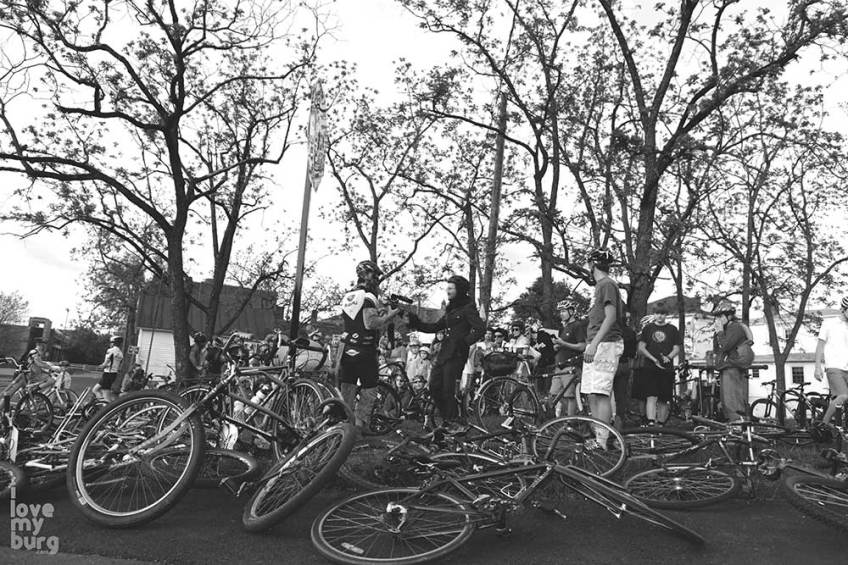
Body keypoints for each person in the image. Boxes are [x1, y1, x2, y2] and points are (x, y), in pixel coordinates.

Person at [407, 275, 485, 430]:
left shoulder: (468, 307)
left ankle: (454, 422)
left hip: (457, 354)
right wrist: (416, 323)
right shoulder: (451, 309)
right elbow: (434, 327)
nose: (447, 291)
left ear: (459, 290)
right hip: (444, 353)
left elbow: (480, 328)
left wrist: (465, 342)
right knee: (434, 386)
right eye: (447, 288)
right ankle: (449, 419)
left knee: (447, 389)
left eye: (451, 288)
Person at [338, 260, 402, 435]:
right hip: (365, 349)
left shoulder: (349, 295)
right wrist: (391, 314)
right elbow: (370, 323)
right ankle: (360, 426)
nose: (377, 279)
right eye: (375, 275)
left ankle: (343, 426)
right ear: (366, 275)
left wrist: (381, 309)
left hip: (347, 347)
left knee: (348, 387)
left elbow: (358, 319)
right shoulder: (368, 295)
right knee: (370, 388)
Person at [582, 249, 625, 447]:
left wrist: (594, 344)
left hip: (606, 343)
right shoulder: (600, 286)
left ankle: (602, 440)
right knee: (591, 392)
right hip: (595, 342)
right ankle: (598, 435)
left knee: (601, 392)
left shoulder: (607, 284)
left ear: (592, 264)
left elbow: (611, 317)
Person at [632, 309, 680, 427]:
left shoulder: (673, 329)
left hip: (666, 368)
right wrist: (653, 359)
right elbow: (641, 347)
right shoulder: (648, 328)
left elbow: (677, 348)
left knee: (664, 398)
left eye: (662, 313)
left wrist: (669, 357)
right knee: (651, 395)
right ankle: (651, 422)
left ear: (666, 315)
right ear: (654, 315)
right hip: (650, 367)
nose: (660, 316)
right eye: (657, 313)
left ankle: (661, 424)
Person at [712, 306, 754, 421]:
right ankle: (734, 422)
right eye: (716, 317)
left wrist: (720, 332)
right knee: (726, 398)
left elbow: (726, 346)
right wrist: (717, 333)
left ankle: (738, 423)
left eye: (720, 316)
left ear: (729, 316)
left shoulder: (735, 328)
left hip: (732, 365)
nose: (718, 320)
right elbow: (717, 349)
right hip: (726, 366)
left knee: (732, 398)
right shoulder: (724, 329)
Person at [815, 297, 848, 426]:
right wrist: (817, 367)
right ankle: (823, 424)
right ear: (843, 309)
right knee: (844, 396)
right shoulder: (829, 323)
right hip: (834, 367)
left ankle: (842, 429)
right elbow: (820, 346)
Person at [552, 300, 587, 417]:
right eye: (560, 312)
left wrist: (563, 344)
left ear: (571, 312)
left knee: (570, 396)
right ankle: (569, 416)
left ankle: (571, 421)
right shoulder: (564, 327)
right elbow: (565, 344)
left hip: (570, 365)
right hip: (559, 365)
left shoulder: (577, 325)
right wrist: (558, 346)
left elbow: (582, 346)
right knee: (554, 394)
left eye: (563, 311)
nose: (561, 314)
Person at [613, 312, 638, 430]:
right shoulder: (630, 332)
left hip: (611, 363)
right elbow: (633, 353)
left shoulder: (611, 331)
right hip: (624, 364)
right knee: (621, 396)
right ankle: (619, 422)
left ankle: (608, 421)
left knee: (606, 394)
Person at [94, 336, 124, 402]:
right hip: (113, 374)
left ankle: (105, 405)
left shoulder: (111, 350)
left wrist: (101, 366)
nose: (110, 344)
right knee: (96, 390)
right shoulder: (120, 353)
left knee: (104, 394)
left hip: (108, 374)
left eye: (111, 342)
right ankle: (102, 403)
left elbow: (106, 362)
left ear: (113, 343)